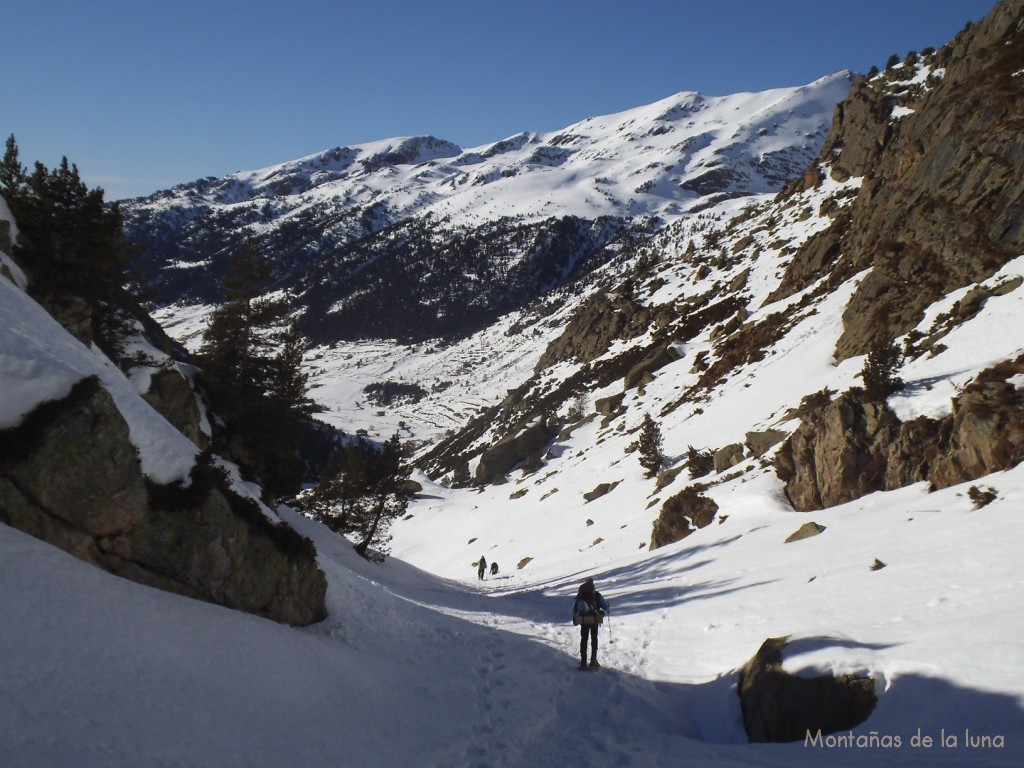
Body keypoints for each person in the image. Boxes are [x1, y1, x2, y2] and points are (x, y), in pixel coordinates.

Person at [574, 577, 610, 670]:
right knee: (594, 638)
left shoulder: (581, 594)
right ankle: (593, 661)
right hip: (594, 620)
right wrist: (607, 607)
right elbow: (605, 607)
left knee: (584, 639)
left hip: (584, 620)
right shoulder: (596, 595)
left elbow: (575, 607)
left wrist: (575, 617)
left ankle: (583, 662)